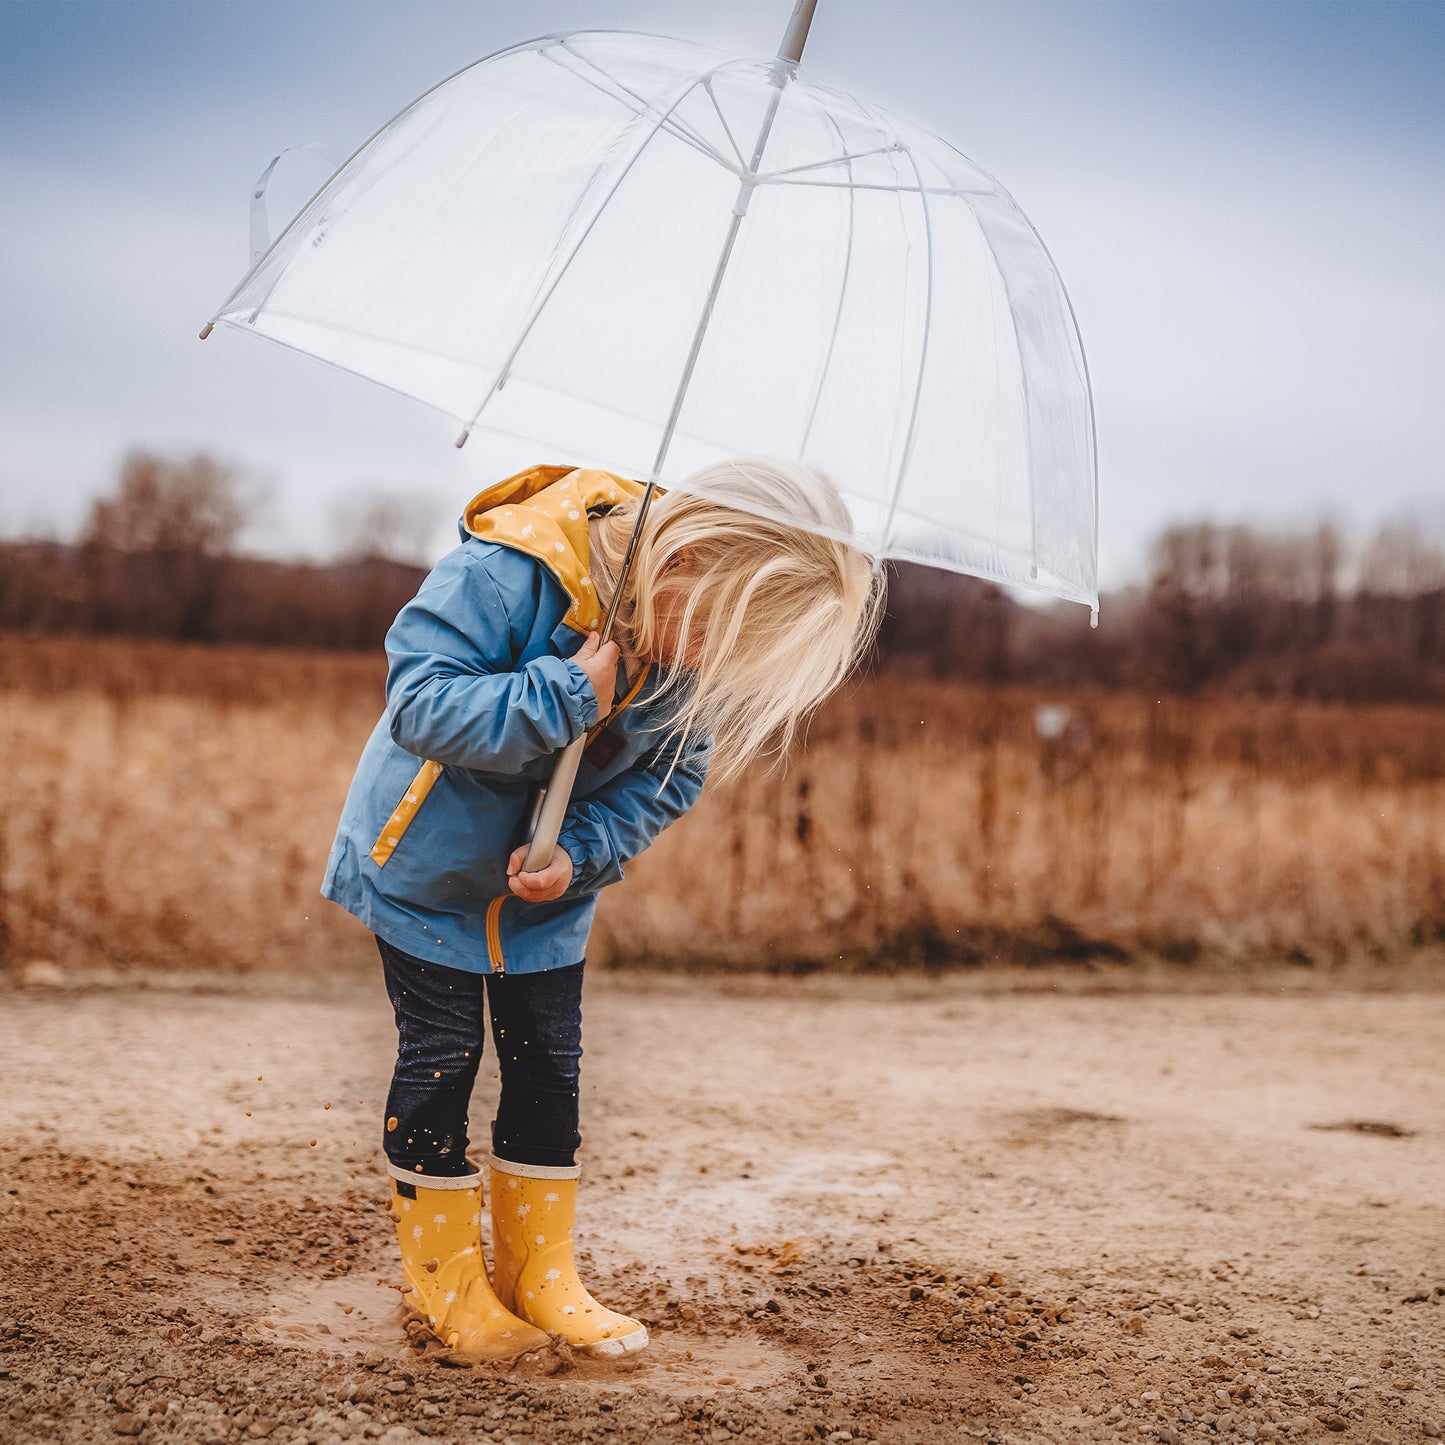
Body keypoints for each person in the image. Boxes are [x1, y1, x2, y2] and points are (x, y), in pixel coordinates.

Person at [320, 456, 883, 1362]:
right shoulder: (508, 573)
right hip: (424, 869)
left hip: (545, 896)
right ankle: (446, 1286)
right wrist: (567, 694)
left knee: (549, 1070)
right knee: (444, 1054)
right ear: (684, 561)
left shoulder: (689, 644)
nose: (704, 662)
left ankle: (540, 1276)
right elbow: (420, 706)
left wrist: (581, 852)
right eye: (714, 634)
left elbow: (672, 776)